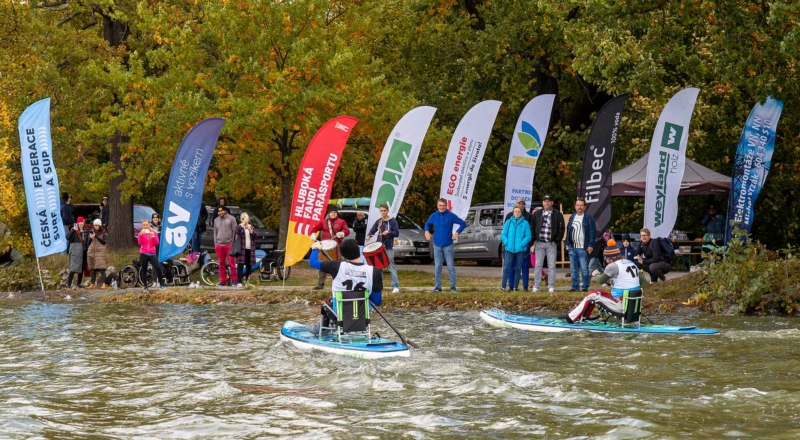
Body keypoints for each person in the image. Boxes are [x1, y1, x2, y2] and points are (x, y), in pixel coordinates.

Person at [559, 239, 648, 323]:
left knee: (593, 295)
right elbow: (644, 282)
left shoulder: (612, 266)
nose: (605, 260)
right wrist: (635, 294)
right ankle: (584, 317)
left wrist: (596, 274)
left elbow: (601, 280)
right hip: (635, 305)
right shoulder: (631, 263)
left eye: (605, 258)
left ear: (609, 258)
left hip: (621, 305)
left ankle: (571, 318)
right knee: (596, 295)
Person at [307, 239, 383, 335]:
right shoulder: (374, 271)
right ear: (358, 251)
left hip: (339, 316)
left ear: (343, 255)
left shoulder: (335, 266)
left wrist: (315, 248)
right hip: (362, 316)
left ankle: (324, 327)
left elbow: (313, 262)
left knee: (327, 303)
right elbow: (377, 301)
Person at [424, 198, 467, 292]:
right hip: (437, 245)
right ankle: (438, 287)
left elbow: (463, 223)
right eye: (440, 205)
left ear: (446, 206)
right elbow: (427, 224)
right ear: (437, 206)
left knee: (450, 266)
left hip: (448, 245)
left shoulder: (450, 215)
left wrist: (457, 233)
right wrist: (426, 231)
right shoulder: (434, 215)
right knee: (438, 267)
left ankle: (453, 287)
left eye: (443, 206)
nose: (441, 207)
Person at [309, 207, 351, 290]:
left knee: (339, 265)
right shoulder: (324, 222)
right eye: (332, 212)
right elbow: (314, 228)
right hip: (325, 247)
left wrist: (342, 233)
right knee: (323, 265)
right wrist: (313, 233)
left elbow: (347, 231)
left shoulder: (341, 222)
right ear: (329, 213)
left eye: (335, 212)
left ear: (337, 213)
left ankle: (341, 284)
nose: (333, 213)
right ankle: (320, 285)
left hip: (337, 247)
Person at [530, 195, 565, 293]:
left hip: (551, 243)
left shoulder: (558, 214)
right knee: (538, 265)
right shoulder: (537, 214)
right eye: (545, 201)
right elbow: (532, 227)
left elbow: (561, 229)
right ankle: (536, 286)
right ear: (542, 203)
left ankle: (551, 286)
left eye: (549, 201)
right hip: (539, 243)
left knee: (551, 265)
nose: (547, 203)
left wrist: (556, 240)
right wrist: (533, 241)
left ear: (552, 203)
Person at [366, 203, 401, 293]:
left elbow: (396, 233)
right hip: (379, 247)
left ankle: (395, 286)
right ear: (380, 211)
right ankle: (379, 287)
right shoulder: (379, 221)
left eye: (385, 210)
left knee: (391, 267)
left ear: (388, 211)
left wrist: (389, 232)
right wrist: (369, 236)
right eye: (381, 210)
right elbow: (373, 230)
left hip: (388, 247)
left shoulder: (393, 221)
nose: (383, 212)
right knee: (378, 267)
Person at [566, 198, 596, 292]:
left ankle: (585, 287)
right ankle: (575, 287)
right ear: (575, 206)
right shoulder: (572, 217)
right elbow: (568, 231)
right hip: (572, 247)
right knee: (573, 269)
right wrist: (567, 243)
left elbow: (592, 232)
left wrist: (590, 245)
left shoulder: (589, 218)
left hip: (583, 247)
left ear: (584, 207)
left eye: (581, 205)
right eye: (578, 205)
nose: (579, 207)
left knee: (584, 269)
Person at [502, 198, 532, 291]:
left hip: (521, 248)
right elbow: (504, 234)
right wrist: (507, 243)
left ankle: (520, 286)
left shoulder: (527, 219)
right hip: (510, 248)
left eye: (522, 204)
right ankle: (508, 286)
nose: (517, 212)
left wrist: (523, 244)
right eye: (516, 210)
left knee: (521, 267)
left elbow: (529, 234)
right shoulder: (509, 219)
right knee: (509, 267)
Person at [137, 219, 166, 291]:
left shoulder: (153, 232)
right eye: (144, 225)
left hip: (152, 253)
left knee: (158, 268)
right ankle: (145, 286)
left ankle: (161, 284)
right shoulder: (141, 233)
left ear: (149, 224)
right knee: (144, 269)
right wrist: (141, 235)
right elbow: (140, 243)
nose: (145, 226)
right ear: (142, 226)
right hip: (143, 253)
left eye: (146, 224)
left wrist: (153, 236)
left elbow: (157, 243)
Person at [214, 206, 239, 287]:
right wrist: (215, 243)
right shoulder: (216, 220)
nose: (220, 213)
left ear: (225, 211)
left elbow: (235, 231)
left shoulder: (232, 219)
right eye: (219, 212)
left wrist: (234, 242)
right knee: (221, 264)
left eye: (222, 211)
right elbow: (215, 232)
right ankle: (222, 281)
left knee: (232, 263)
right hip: (219, 245)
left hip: (229, 244)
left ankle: (234, 280)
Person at [235, 212, 258, 285]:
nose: (246, 220)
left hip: (250, 249)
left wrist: (250, 230)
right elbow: (236, 234)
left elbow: (256, 236)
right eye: (245, 219)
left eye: (247, 219)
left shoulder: (251, 227)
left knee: (249, 265)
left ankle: (247, 280)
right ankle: (239, 282)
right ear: (242, 219)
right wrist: (243, 228)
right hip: (241, 248)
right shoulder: (239, 226)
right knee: (240, 265)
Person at [65, 217, 87, 290]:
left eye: (82, 222)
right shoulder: (74, 231)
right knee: (74, 267)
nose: (81, 224)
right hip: (75, 250)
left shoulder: (85, 231)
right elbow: (67, 237)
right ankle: (69, 284)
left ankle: (79, 284)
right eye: (80, 222)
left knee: (81, 268)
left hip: (83, 251)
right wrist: (72, 230)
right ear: (77, 223)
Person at [86, 219, 108, 289]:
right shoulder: (91, 232)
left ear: (100, 225)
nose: (95, 226)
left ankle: (104, 284)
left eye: (97, 225)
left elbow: (104, 242)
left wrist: (97, 237)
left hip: (100, 251)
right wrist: (90, 238)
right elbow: (88, 243)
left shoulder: (103, 232)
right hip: (92, 251)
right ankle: (92, 283)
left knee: (102, 268)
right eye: (94, 225)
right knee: (92, 269)